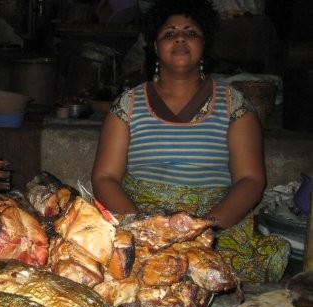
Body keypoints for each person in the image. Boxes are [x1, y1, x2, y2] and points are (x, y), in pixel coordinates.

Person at [91, 0, 290, 283]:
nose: (181, 38)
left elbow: (251, 180)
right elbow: (105, 177)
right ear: (156, 47)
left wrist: (203, 229)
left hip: (215, 226)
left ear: (204, 44)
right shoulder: (128, 105)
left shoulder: (234, 105)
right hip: (141, 223)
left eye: (191, 32)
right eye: (169, 34)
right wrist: (146, 229)